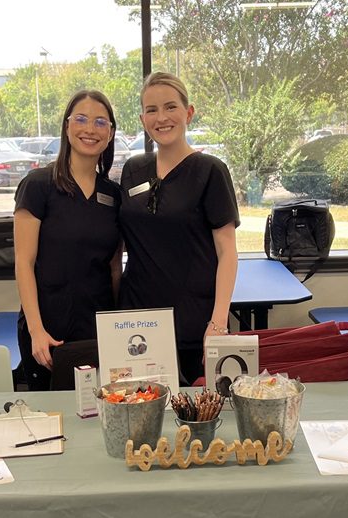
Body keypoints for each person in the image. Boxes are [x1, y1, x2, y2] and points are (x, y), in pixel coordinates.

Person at [118, 72, 239, 385]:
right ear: (143, 118)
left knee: (194, 420)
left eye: (170, 107)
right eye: (152, 110)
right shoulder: (133, 169)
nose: (161, 118)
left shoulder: (210, 171)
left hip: (192, 321)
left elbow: (227, 251)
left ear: (189, 112)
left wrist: (218, 323)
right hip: (137, 322)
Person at [13, 90, 123, 390]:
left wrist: (115, 328)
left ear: (110, 133)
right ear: (67, 126)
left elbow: (114, 268)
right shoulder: (38, 185)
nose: (90, 129)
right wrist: (36, 330)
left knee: (99, 414)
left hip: (95, 328)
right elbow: (23, 263)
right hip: (48, 328)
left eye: (101, 122)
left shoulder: (112, 195)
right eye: (82, 119)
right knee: (52, 422)